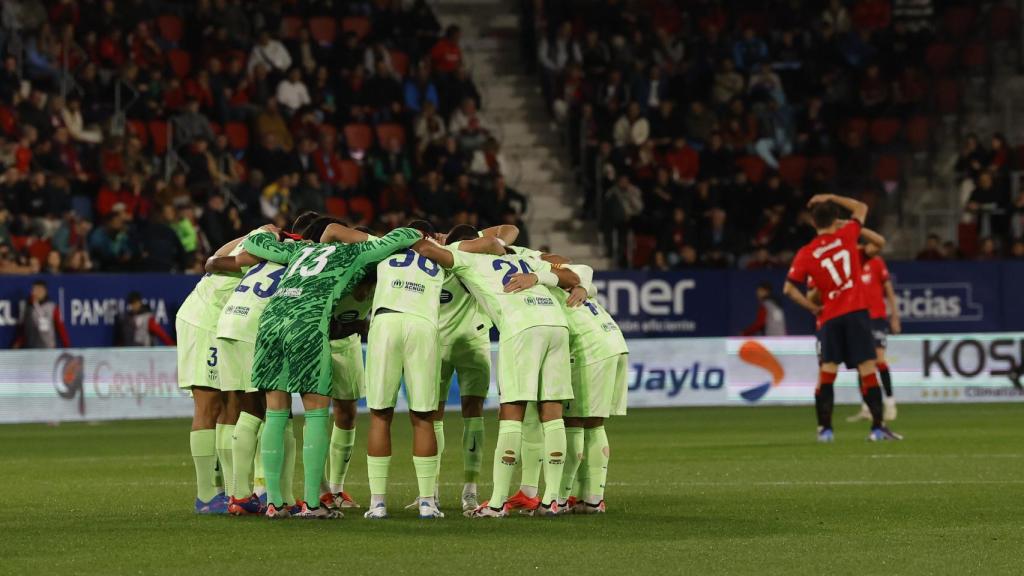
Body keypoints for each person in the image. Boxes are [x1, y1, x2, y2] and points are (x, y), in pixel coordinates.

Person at [241, 223, 424, 519]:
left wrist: (268, 230)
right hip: (308, 324)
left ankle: (275, 503)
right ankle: (313, 504)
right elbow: (407, 235)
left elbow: (255, 243)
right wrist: (366, 238)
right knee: (315, 413)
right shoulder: (355, 253)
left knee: (275, 412)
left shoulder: (301, 249)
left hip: (271, 322)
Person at [412, 231, 581, 517]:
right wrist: (538, 277)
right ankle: (553, 501)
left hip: (522, 327)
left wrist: (412, 241)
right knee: (552, 412)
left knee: (512, 412)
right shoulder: (522, 259)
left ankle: (497, 503)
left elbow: (428, 250)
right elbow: (571, 277)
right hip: (556, 324)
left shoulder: (466, 259)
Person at [209, 211, 320, 516]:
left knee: (248, 408)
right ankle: (264, 494)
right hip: (254, 329)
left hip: (230, 323)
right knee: (274, 412)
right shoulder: (307, 259)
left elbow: (217, 261)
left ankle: (244, 493)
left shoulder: (265, 254)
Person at [783, 194, 901, 443]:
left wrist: (812, 308)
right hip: (856, 312)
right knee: (868, 369)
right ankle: (877, 428)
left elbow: (788, 290)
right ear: (835, 219)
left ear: (813, 223)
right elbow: (862, 206)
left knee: (827, 372)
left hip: (829, 318)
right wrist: (831, 197)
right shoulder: (847, 237)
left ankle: (825, 431)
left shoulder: (807, 253)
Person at [435, 223, 520, 513]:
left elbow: (509, 230)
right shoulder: (478, 260)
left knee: (434, 415)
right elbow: (509, 231)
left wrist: (456, 238)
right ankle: (462, 492)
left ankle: (441, 491)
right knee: (469, 414)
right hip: (469, 345)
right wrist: (467, 238)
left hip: (443, 345)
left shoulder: (442, 257)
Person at [176, 234, 250, 514]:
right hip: (203, 321)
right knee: (209, 403)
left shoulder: (264, 238)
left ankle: (232, 490)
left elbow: (214, 257)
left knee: (233, 401)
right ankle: (206, 494)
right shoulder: (269, 245)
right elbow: (212, 261)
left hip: (223, 324)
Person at [847, 240, 901, 423]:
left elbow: (889, 290)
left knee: (879, 360)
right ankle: (866, 407)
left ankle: (890, 402)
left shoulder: (877, 262)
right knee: (861, 362)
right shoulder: (849, 266)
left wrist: (894, 316)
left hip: (876, 317)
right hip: (858, 318)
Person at [13, 281, 70, 349]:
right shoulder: (26, 308)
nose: (37, 292)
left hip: (48, 348)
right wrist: (18, 343)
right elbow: (23, 330)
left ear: (45, 291)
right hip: (30, 348)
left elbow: (61, 329)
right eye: (35, 289)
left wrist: (67, 346)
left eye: (40, 290)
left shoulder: (52, 308)